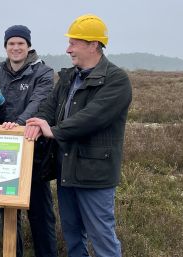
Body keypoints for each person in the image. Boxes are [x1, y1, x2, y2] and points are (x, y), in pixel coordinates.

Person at [24, 14, 132, 257]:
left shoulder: (116, 80)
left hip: (95, 176)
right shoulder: (69, 77)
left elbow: (93, 117)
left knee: (102, 239)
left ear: (93, 45)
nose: (68, 49)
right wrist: (34, 124)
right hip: (67, 171)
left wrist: (54, 131)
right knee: (73, 238)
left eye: (74, 43)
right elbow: (48, 108)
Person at [0, 25, 58, 257]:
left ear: (28, 46)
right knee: (8, 214)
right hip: (4, 154)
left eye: (20, 44)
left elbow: (39, 103)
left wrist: (17, 124)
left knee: (40, 213)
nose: (16, 48)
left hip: (34, 152)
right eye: (11, 44)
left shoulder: (44, 73)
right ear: (5, 47)